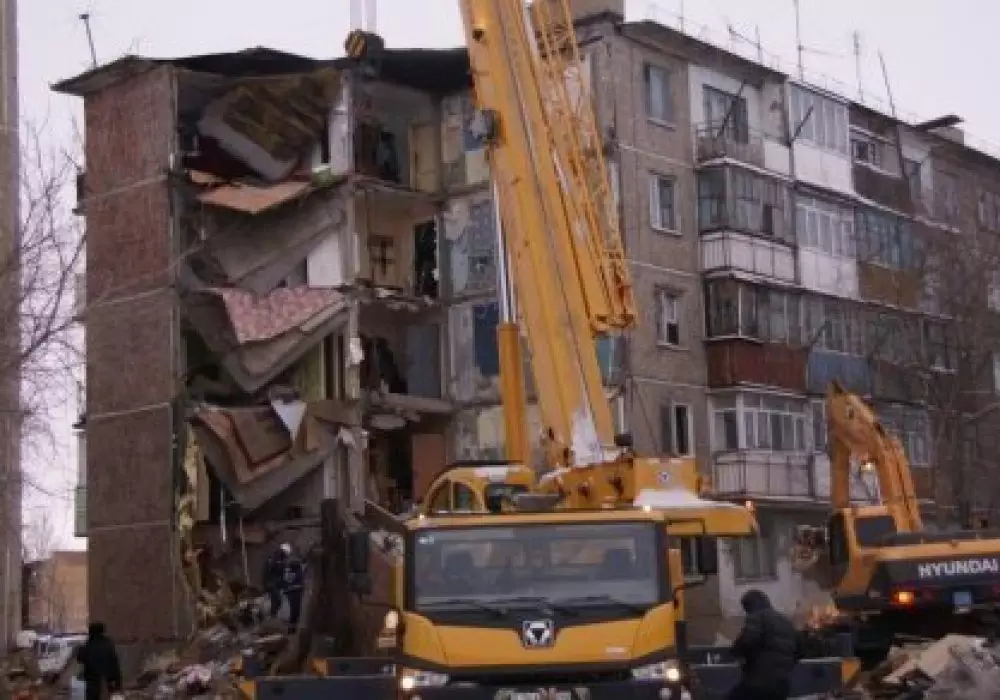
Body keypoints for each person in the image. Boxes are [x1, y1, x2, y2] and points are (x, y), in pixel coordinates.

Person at [728, 590, 798, 700]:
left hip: (759, 682)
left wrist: (735, 651)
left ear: (750, 605)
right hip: (782, 684)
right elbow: (800, 649)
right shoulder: (787, 622)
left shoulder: (757, 616)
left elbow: (748, 639)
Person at [75, 622, 122, 700]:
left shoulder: (89, 643)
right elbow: (114, 661)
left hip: (93, 679)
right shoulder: (108, 643)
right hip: (108, 678)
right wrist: (117, 681)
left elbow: (80, 658)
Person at [279, 544, 306, 631]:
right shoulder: (296, 570)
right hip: (294, 591)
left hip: (292, 591)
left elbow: (287, 580)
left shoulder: (290, 569)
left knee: (293, 610)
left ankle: (292, 626)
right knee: (294, 610)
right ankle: (292, 626)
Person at [262, 543, 290, 617]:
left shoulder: (282, 560)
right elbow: (268, 571)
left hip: (276, 583)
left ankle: (273, 613)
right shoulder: (274, 559)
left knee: (277, 600)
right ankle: (272, 614)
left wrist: (284, 584)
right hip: (272, 582)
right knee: (275, 599)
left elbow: (282, 573)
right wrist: (268, 583)